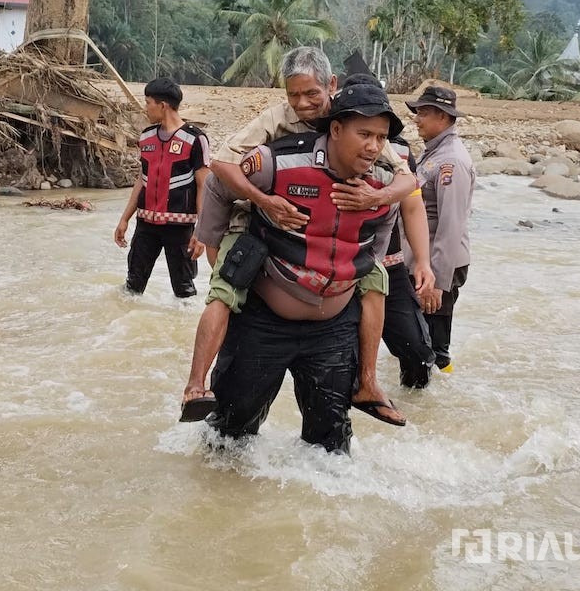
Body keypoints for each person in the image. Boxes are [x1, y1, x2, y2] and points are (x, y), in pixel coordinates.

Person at [179, 48, 433, 425]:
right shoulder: (276, 129)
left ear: (331, 87)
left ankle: (367, 383)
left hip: (334, 269)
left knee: (375, 279)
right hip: (258, 221)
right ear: (335, 131)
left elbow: (406, 183)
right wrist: (257, 207)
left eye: (311, 93)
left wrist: (374, 204)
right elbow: (220, 169)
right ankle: (195, 385)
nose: (301, 104)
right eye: (293, 95)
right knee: (226, 287)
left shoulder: (362, 135)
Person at [201, 83, 405, 453]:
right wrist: (213, 245)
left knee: (331, 449)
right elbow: (218, 181)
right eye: (364, 135)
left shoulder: (385, 180)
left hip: (333, 331)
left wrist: (365, 258)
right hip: (264, 321)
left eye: (380, 137)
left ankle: (368, 382)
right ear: (336, 129)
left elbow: (387, 221)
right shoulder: (276, 161)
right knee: (228, 437)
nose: (373, 147)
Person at [115, 78, 210, 298]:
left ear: (163, 105)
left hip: (180, 228)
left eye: (148, 102)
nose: (145, 108)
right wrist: (125, 219)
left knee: (184, 290)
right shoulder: (146, 136)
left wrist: (201, 232)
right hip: (145, 225)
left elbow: (203, 186)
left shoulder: (195, 139)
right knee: (132, 286)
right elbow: (142, 179)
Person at [405, 85, 476, 372]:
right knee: (419, 339)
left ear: (444, 117)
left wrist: (437, 282)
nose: (417, 119)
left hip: (439, 266)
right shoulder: (434, 152)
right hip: (426, 264)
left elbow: (451, 225)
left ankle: (442, 390)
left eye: (423, 113)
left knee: (436, 348)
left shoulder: (451, 161)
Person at [379, 136, 437, 388]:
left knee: (418, 353)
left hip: (390, 266)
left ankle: (414, 407)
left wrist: (423, 262)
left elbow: (412, 207)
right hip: (344, 269)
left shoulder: (399, 150)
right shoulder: (324, 143)